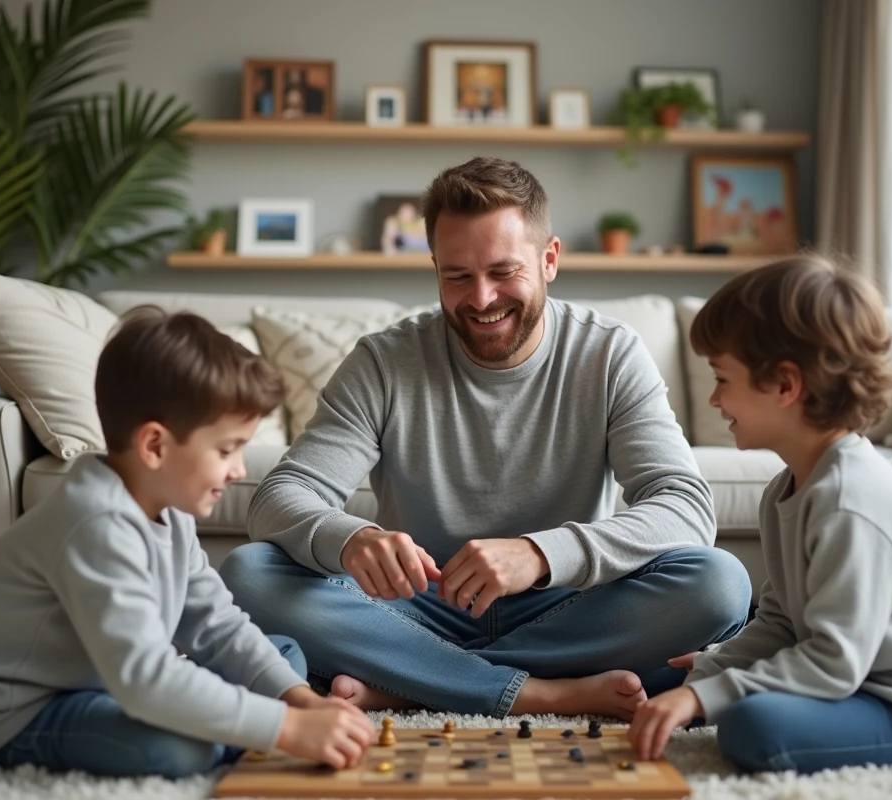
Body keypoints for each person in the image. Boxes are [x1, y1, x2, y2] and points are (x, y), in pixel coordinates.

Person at [220, 156, 752, 721]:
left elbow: (685, 508)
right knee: (248, 575)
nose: (480, 298)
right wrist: (351, 538)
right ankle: (540, 691)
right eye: (457, 276)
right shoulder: (383, 362)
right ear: (434, 267)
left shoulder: (610, 354)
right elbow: (281, 497)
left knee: (719, 584)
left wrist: (540, 554)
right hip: (418, 607)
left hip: (569, 605)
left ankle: (414, 682)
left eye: (503, 271)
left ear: (549, 260)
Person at [0, 308, 374, 778]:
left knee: (283, 659)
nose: (240, 470)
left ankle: (232, 720)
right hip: (19, 713)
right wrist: (286, 728)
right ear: (155, 446)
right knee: (181, 751)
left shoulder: (170, 509)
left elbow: (216, 624)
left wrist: (300, 702)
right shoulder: (95, 524)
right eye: (226, 450)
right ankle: (221, 730)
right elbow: (145, 679)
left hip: (109, 681)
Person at [628, 255, 892, 773]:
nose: (713, 399)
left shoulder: (853, 500)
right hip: (854, 681)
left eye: (721, 379)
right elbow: (781, 621)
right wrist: (715, 668)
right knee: (667, 678)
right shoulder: (785, 489)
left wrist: (709, 696)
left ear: (786, 385)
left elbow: (832, 660)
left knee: (750, 725)